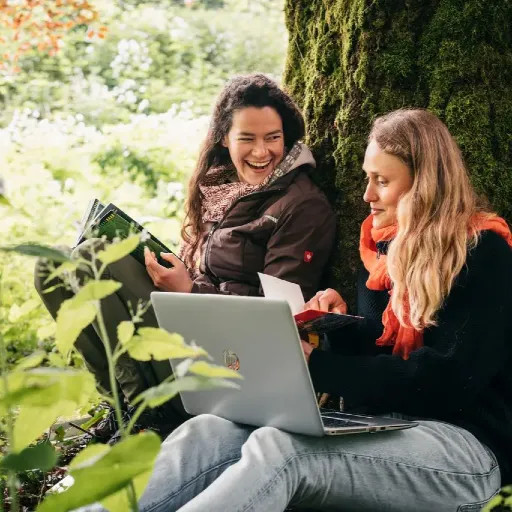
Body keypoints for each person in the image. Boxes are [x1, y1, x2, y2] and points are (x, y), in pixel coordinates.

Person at [93, 108, 509, 511]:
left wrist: (315, 365)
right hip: (387, 430)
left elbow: (451, 378)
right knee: (210, 430)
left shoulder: (484, 252)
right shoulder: (382, 257)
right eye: (368, 178)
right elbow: (377, 364)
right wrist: (338, 327)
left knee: (284, 450)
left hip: (465, 451)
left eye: (382, 181)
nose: (367, 195)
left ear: (425, 184)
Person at [34, 74, 335, 436]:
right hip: (188, 319)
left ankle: (147, 415)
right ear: (224, 138)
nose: (261, 152)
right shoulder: (219, 186)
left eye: (273, 138)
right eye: (247, 138)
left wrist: (190, 292)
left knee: (97, 256)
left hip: (229, 354)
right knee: (53, 264)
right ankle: (119, 404)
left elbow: (278, 315)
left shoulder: (301, 205)